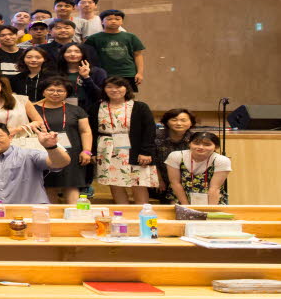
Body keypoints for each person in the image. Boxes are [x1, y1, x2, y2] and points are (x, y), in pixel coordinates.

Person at [93, 76, 157, 204]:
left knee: (138, 182)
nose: (114, 90)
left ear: (126, 88)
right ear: (104, 89)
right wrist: (93, 152)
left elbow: (149, 130)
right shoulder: (97, 107)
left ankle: (142, 212)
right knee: (114, 182)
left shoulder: (140, 106)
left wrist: (146, 151)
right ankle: (122, 211)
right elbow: (91, 131)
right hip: (106, 150)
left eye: (118, 86)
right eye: (109, 87)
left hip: (135, 149)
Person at [34, 77, 92, 204]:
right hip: (44, 152)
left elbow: (85, 131)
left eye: (60, 91)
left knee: (72, 184)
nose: (55, 93)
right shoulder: (33, 109)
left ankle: (75, 214)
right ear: (43, 92)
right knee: (48, 185)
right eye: (51, 90)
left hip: (73, 153)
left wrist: (87, 151)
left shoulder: (76, 110)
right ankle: (52, 215)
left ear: (67, 93)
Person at [84, 10, 145, 91]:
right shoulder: (93, 38)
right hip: (104, 74)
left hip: (127, 73)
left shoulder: (131, 37)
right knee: (103, 96)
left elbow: (138, 55)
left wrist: (140, 73)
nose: (113, 21)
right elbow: (88, 57)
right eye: (109, 19)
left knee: (128, 96)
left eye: (117, 19)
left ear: (122, 21)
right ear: (102, 21)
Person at [166, 132, 231, 205]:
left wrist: (210, 209)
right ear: (189, 144)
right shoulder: (175, 156)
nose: (201, 147)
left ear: (216, 147)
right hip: (180, 199)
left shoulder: (222, 160)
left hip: (212, 200)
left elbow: (215, 188)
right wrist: (186, 207)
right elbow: (175, 183)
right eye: (196, 143)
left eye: (207, 144)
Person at [0, 72, 43, 141]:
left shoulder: (21, 100)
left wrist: (18, 129)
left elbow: (39, 121)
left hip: (22, 140)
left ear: (0, 82)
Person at [153, 108, 195, 203]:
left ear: (191, 123)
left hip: (187, 180)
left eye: (183, 120)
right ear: (166, 122)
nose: (179, 123)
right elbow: (152, 160)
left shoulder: (195, 139)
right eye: (174, 120)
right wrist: (158, 179)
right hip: (160, 178)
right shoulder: (155, 136)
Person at [57, 43, 106, 112]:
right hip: (61, 108)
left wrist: (86, 77)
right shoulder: (56, 72)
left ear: (83, 54)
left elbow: (100, 95)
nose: (72, 54)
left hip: (90, 109)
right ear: (63, 54)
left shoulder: (97, 72)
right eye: (68, 51)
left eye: (77, 51)